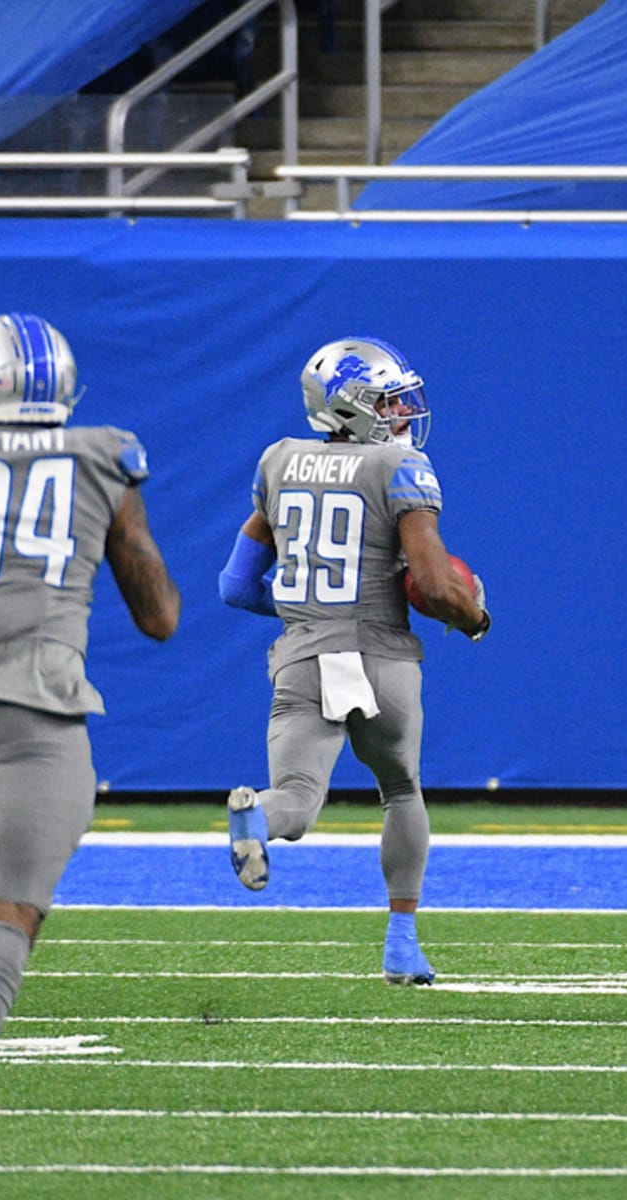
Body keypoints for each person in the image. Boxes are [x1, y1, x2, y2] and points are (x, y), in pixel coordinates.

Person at [0, 313, 181, 1168]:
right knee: (18, 903)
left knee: (26, 832)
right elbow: (160, 617)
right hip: (37, 698)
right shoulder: (103, 455)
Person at [218, 335, 489, 986]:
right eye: (386, 401)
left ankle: (256, 814)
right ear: (349, 407)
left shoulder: (278, 462)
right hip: (377, 654)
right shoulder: (399, 467)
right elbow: (434, 581)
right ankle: (402, 944)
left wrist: (307, 611)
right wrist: (474, 617)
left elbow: (234, 585)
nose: (401, 414)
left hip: (305, 652)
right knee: (400, 788)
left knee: (299, 799)